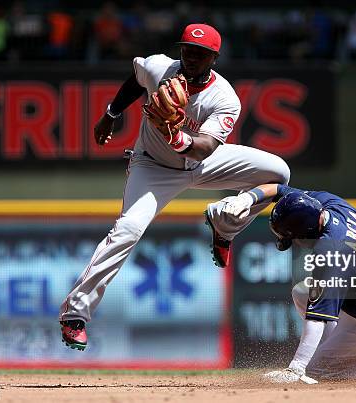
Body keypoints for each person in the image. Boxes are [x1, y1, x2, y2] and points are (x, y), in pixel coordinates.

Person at [59, 23, 290, 350]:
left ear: (214, 57)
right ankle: (75, 314)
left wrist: (173, 133)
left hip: (204, 161)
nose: (191, 57)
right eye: (187, 50)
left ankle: (226, 225)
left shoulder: (224, 98)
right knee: (126, 231)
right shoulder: (158, 66)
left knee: (279, 172)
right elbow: (135, 79)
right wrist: (110, 114)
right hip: (152, 168)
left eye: (200, 53)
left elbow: (206, 146)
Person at [209, 184, 356, 383]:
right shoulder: (328, 203)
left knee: (315, 371)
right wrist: (249, 198)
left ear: (306, 232)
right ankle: (332, 357)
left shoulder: (330, 252)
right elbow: (280, 189)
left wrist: (297, 368)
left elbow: (317, 319)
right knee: (302, 292)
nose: (296, 243)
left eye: (295, 239)